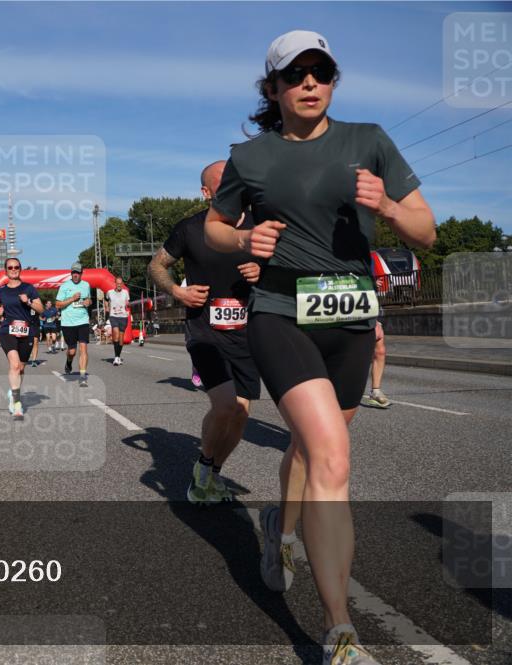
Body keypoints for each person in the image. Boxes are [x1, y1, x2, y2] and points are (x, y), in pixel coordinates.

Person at [204, 31, 435, 664]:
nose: (311, 83)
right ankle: (341, 632)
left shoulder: (370, 140)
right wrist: (244, 240)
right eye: (296, 74)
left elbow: (427, 229)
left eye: (323, 72)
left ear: (333, 81)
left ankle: (279, 528)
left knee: (312, 448)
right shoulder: (250, 159)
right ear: (272, 88)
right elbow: (216, 228)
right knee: (332, 457)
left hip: (353, 319)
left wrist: (386, 204)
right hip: (281, 314)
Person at [150, 161, 262, 504]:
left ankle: (209, 472)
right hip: (205, 331)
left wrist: (263, 272)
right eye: (224, 183)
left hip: (249, 332)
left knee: (242, 412)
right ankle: (204, 474)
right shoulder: (190, 228)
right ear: (207, 192)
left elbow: (290, 270)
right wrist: (178, 292)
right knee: (226, 405)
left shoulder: (261, 226)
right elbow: (156, 265)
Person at [0, 258, 43, 418]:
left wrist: (27, 301)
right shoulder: (0, 290)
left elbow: (40, 308)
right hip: (8, 330)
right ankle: (16, 403)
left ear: (20, 269)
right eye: (10, 267)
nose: (13, 269)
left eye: (16, 267)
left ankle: (14, 391)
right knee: (14, 365)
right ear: (5, 270)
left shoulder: (29, 288)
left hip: (25, 331)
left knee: (21, 368)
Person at [56, 262, 93, 387]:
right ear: (71, 273)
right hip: (68, 323)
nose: (75, 275)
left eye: (77, 273)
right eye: (73, 273)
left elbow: (89, 299)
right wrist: (72, 299)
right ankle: (68, 362)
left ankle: (82, 376)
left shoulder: (86, 285)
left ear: (81, 273)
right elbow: (58, 305)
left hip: (82, 321)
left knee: (83, 348)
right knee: (72, 351)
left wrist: (88, 302)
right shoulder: (64, 286)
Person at [361, 319, 391, 409]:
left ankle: (375, 393)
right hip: (342, 317)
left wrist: (374, 320)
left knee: (380, 351)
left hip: (366, 315)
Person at [104, 276, 130, 366]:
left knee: (121, 339)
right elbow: (106, 299)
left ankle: (118, 356)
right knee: (116, 336)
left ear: (122, 284)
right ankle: (116, 358)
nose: (119, 285)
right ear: (115, 283)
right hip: (113, 316)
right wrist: (107, 307)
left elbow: (127, 303)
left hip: (123, 317)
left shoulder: (125, 293)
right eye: (117, 283)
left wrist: (128, 307)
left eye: (120, 283)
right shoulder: (110, 293)